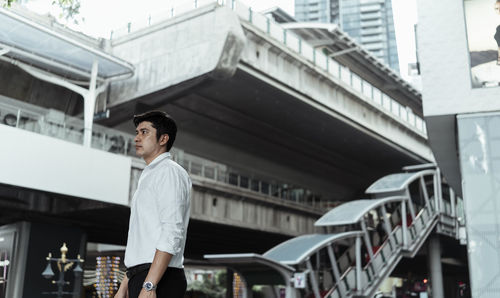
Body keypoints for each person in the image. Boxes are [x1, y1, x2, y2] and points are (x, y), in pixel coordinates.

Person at [115, 111, 192, 298]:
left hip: (159, 278)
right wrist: (125, 284)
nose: (136, 138)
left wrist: (150, 285)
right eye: (137, 132)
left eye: (144, 132)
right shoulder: (150, 174)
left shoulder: (169, 172)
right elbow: (143, 241)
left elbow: (172, 230)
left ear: (163, 138)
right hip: (142, 275)